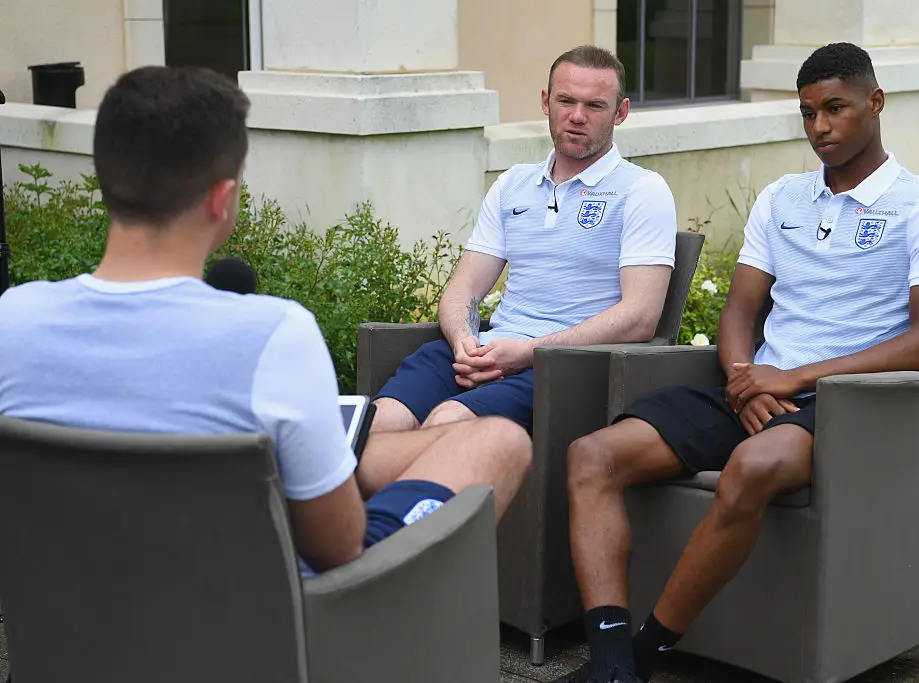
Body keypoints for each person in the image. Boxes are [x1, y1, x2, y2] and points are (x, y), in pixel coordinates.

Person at [0, 66, 532, 577]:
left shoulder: (13, 320)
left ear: (104, 179)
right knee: (498, 443)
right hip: (262, 621)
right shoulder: (273, 334)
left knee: (361, 448)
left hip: (74, 612)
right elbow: (337, 545)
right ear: (223, 200)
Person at [553, 42, 919, 683]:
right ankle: (610, 664)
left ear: (875, 102)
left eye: (836, 109)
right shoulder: (782, 199)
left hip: (848, 406)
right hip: (758, 393)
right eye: (807, 114)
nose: (820, 128)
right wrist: (746, 380)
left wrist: (794, 380)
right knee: (592, 456)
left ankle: (646, 653)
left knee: (753, 466)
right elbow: (740, 312)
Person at [359, 45, 679, 497]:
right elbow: (462, 291)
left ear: (621, 113)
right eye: (566, 101)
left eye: (595, 105)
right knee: (379, 421)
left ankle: (410, 548)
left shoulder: (642, 191)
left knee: (449, 423)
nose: (577, 116)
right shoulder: (513, 184)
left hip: (561, 370)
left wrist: (528, 351)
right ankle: (358, 549)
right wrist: (466, 342)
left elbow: (640, 317)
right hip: (489, 351)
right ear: (546, 102)